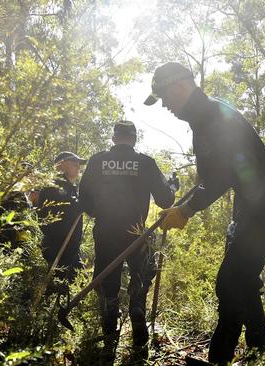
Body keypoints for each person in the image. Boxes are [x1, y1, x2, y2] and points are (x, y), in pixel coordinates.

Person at [144, 62, 265, 365]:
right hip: (250, 202)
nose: (165, 106)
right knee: (244, 279)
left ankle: (219, 359)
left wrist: (186, 209)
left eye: (164, 97)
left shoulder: (211, 116)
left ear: (180, 87)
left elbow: (221, 175)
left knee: (230, 281)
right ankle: (260, 352)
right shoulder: (204, 117)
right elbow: (217, 173)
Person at [78, 121, 175, 361]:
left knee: (107, 279)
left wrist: (98, 212)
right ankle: (137, 306)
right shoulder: (145, 163)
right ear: (133, 138)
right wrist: (172, 187)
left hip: (106, 230)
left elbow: (84, 198)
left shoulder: (97, 160)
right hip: (136, 232)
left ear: (113, 138)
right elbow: (165, 200)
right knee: (141, 273)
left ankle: (109, 328)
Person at [36, 152, 86, 284]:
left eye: (78, 165)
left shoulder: (69, 187)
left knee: (76, 282)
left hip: (70, 248)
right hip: (59, 247)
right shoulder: (55, 186)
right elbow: (75, 207)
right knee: (61, 285)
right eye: (74, 164)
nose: (78, 167)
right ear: (61, 165)